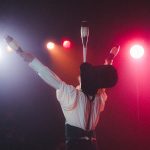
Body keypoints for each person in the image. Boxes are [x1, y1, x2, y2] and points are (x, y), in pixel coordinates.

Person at [5, 36, 119, 150]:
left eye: (81, 76)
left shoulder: (73, 95)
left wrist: (31, 60)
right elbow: (104, 82)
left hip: (76, 146)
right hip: (93, 146)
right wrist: (110, 60)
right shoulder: (98, 98)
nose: (79, 76)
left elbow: (50, 77)